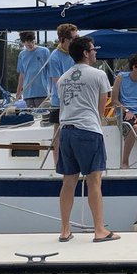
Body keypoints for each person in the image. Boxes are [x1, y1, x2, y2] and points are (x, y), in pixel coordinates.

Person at [56, 35, 119, 243]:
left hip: (65, 131)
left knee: (68, 182)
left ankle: (65, 230)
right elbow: (102, 109)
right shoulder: (99, 75)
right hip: (88, 130)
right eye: (93, 49)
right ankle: (99, 230)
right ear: (85, 53)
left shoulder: (63, 79)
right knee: (94, 181)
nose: (95, 52)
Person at [46, 23, 79, 116]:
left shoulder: (77, 53)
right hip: (60, 104)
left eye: (78, 38)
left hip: (77, 101)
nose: (76, 41)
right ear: (63, 39)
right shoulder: (54, 58)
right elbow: (58, 83)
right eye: (74, 38)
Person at [14, 31, 51, 107]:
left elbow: (51, 71)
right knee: (29, 113)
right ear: (23, 43)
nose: (31, 45)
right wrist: (18, 92)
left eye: (32, 42)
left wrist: (52, 90)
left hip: (42, 92)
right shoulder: (22, 55)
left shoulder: (45, 51)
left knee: (43, 112)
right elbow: (22, 74)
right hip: (27, 93)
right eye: (28, 43)